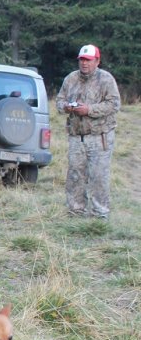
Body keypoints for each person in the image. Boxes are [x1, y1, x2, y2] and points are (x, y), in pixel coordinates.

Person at [55, 44, 120, 219]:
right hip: (76, 136)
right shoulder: (71, 79)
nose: (84, 64)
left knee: (99, 176)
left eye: (88, 60)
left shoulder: (106, 79)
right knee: (75, 175)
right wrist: (67, 107)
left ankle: (99, 215)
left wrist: (89, 110)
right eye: (82, 60)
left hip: (100, 137)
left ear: (97, 61)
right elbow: (59, 101)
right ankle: (75, 211)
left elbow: (114, 104)